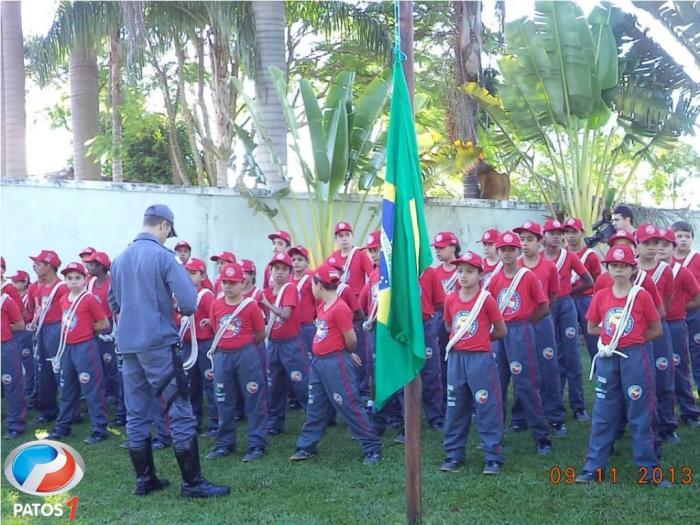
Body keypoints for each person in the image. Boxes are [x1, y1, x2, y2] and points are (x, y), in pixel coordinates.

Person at [109, 204, 229, 498]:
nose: (168, 238)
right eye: (168, 232)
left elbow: (113, 304)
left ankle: (145, 480)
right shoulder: (164, 257)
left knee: (136, 413)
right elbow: (189, 302)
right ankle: (192, 482)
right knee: (179, 409)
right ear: (163, 226)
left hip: (128, 345)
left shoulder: (119, 259)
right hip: (159, 344)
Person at [576, 245, 668, 486]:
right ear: (607, 268)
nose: (618, 271)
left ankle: (649, 470)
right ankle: (593, 467)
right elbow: (592, 327)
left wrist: (633, 340)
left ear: (632, 269)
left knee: (640, 412)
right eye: (613, 266)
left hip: (635, 359)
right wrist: (608, 341)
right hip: (608, 358)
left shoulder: (641, 295)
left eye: (623, 266)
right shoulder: (601, 296)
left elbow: (656, 329)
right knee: (603, 413)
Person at [289, 265, 382, 465]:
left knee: (348, 403)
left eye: (312, 284)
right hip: (319, 363)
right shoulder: (322, 306)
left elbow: (352, 340)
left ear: (317, 285)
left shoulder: (340, 308)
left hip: (335, 363)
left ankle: (372, 447)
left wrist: (345, 354)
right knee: (316, 405)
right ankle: (306, 446)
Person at [487, 231, 553, 455]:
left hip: (520, 331)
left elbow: (544, 306)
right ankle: (495, 435)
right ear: (498, 252)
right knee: (497, 384)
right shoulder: (495, 279)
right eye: (503, 249)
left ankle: (541, 436)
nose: (506, 253)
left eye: (511, 249)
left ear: (517, 252)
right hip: (500, 333)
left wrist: (526, 325)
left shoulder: (527, 277)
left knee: (526, 384)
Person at [441, 251, 506, 474]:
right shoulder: (450, 298)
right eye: (460, 271)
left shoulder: (486, 300)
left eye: (470, 271)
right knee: (455, 406)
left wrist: (481, 342)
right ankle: (454, 453)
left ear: (480, 274)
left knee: (486, 406)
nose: (463, 276)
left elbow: (501, 329)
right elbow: (450, 326)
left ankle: (493, 456)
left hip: (480, 360)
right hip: (457, 359)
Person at [206, 262, 268, 462]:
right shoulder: (216, 304)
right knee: (223, 399)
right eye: (224, 282)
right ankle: (225, 443)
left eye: (232, 283)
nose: (227, 286)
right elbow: (217, 329)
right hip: (223, 356)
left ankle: (256, 444)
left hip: (246, 355)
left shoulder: (250, 306)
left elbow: (260, 333)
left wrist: (244, 345)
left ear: (242, 283)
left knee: (254, 398)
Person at [513, 221, 567, 436]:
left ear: (539, 241)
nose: (525, 244)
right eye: (522, 240)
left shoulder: (549, 267)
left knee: (548, 367)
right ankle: (520, 415)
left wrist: (540, 317)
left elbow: (553, 295)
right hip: (519, 325)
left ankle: (554, 416)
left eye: (529, 239)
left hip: (542, 322)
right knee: (520, 367)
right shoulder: (515, 265)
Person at [47, 262, 110, 444]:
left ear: (85, 280)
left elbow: (104, 323)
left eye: (77, 278)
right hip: (68, 348)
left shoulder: (88, 299)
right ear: (65, 280)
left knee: (91, 387)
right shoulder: (64, 299)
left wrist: (89, 330)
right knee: (67, 388)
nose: (73, 282)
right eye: (69, 278)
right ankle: (63, 426)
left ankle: (100, 428)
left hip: (85, 347)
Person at [542, 219, 593, 422]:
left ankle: (578, 405)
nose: (556, 236)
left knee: (571, 354)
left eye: (558, 232)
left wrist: (569, 293)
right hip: (545, 308)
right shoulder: (537, 258)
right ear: (543, 235)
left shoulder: (569, 257)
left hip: (565, 306)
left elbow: (589, 281)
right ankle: (550, 404)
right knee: (548, 354)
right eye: (551, 232)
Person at [635, 224, 678, 444]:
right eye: (647, 243)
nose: (652, 248)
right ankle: (638, 424)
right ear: (637, 243)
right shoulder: (628, 268)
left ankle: (667, 425)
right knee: (637, 378)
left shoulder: (665, 270)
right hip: (634, 331)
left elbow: (667, 301)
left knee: (663, 375)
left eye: (656, 243)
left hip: (659, 329)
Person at [262, 253, 309, 436]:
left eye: (283, 269)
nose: (279, 273)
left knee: (300, 381)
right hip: (274, 343)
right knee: (275, 384)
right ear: (271, 271)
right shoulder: (265, 292)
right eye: (276, 269)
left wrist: (268, 304)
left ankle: (314, 417)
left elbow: (286, 314)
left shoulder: (290, 289)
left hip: (291, 344)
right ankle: (275, 422)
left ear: (289, 272)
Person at [658, 227, 700, 427]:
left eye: (665, 245)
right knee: (657, 368)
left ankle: (689, 411)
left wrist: (681, 307)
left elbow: (697, 296)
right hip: (653, 326)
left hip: (675, 324)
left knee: (680, 367)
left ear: (673, 248)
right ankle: (660, 413)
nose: (660, 249)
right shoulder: (642, 271)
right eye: (656, 244)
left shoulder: (681, 272)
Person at [27, 249, 68, 424]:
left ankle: (69, 411)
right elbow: (36, 309)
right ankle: (48, 410)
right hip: (42, 329)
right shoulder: (38, 287)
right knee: (43, 369)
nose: (35, 266)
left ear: (49, 266)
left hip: (56, 328)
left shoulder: (62, 287)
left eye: (39, 263)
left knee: (59, 370)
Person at [180, 258, 218, 437]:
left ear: (202, 275)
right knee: (191, 385)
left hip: (204, 345)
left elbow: (217, 318)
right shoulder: (182, 293)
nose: (189, 276)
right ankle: (194, 420)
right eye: (187, 272)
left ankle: (216, 423)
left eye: (193, 273)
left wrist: (210, 321)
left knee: (210, 383)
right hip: (188, 345)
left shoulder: (206, 295)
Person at [84, 251, 120, 416]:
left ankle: (120, 406)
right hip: (96, 327)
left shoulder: (113, 282)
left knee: (113, 369)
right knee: (99, 369)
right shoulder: (90, 282)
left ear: (100, 266)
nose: (88, 266)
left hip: (111, 328)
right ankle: (105, 402)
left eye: (91, 264)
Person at [564, 217, 602, 360]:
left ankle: (598, 368)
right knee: (567, 337)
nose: (570, 236)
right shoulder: (562, 254)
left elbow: (596, 281)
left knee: (592, 337)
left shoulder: (590, 256)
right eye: (567, 232)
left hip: (585, 299)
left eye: (574, 232)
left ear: (582, 233)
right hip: (566, 300)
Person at [672, 220, 700, 399]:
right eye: (679, 236)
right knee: (676, 356)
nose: (683, 240)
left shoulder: (697, 259)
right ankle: (676, 393)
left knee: (697, 352)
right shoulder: (666, 260)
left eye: (687, 236)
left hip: (695, 313)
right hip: (674, 317)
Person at [1, 291, 26, 439]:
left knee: (11, 384)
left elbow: (20, 325)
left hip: (5, 347)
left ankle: (16, 424)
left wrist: (4, 328)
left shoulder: (6, 302)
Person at [289, 246, 315, 356]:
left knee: (308, 359)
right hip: (291, 327)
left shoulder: (311, 279)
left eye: (300, 259)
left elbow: (318, 301)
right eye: (293, 259)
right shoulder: (288, 279)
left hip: (307, 327)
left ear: (307, 262)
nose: (296, 263)